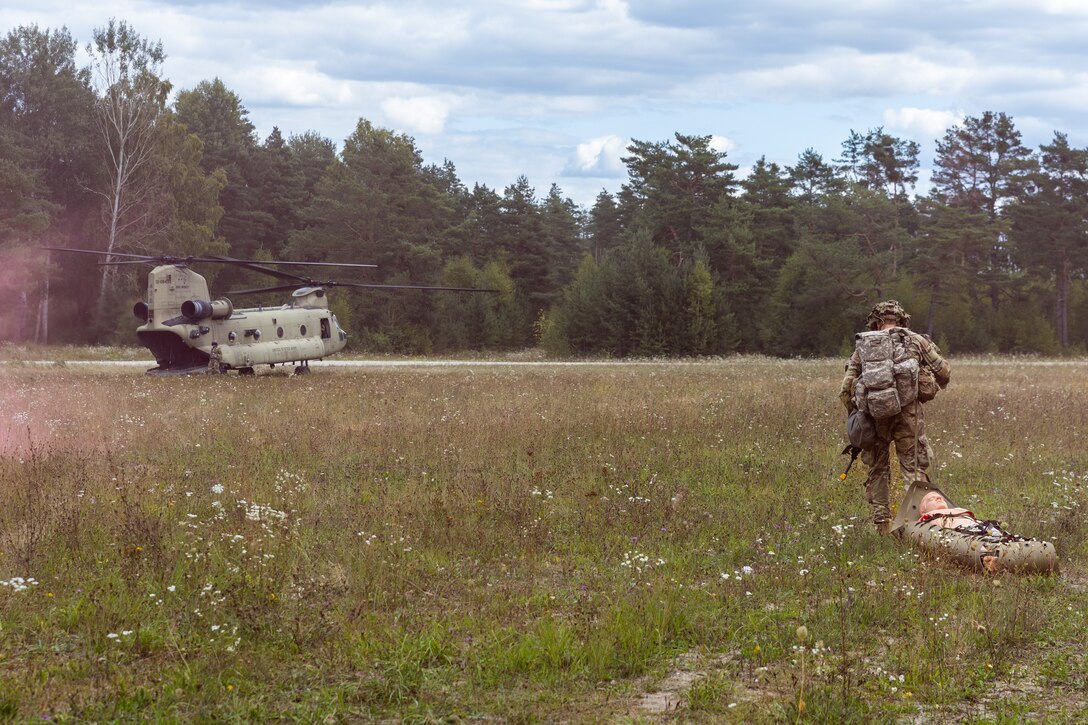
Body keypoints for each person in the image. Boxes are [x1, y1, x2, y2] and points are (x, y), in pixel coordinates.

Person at [840, 301, 951, 534]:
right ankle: (917, 528)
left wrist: (859, 416)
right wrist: (930, 387)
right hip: (909, 416)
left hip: (875, 418)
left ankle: (882, 525)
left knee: (878, 469)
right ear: (901, 320)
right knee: (913, 468)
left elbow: (845, 389)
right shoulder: (915, 340)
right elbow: (944, 372)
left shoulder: (865, 344)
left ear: (876, 321)